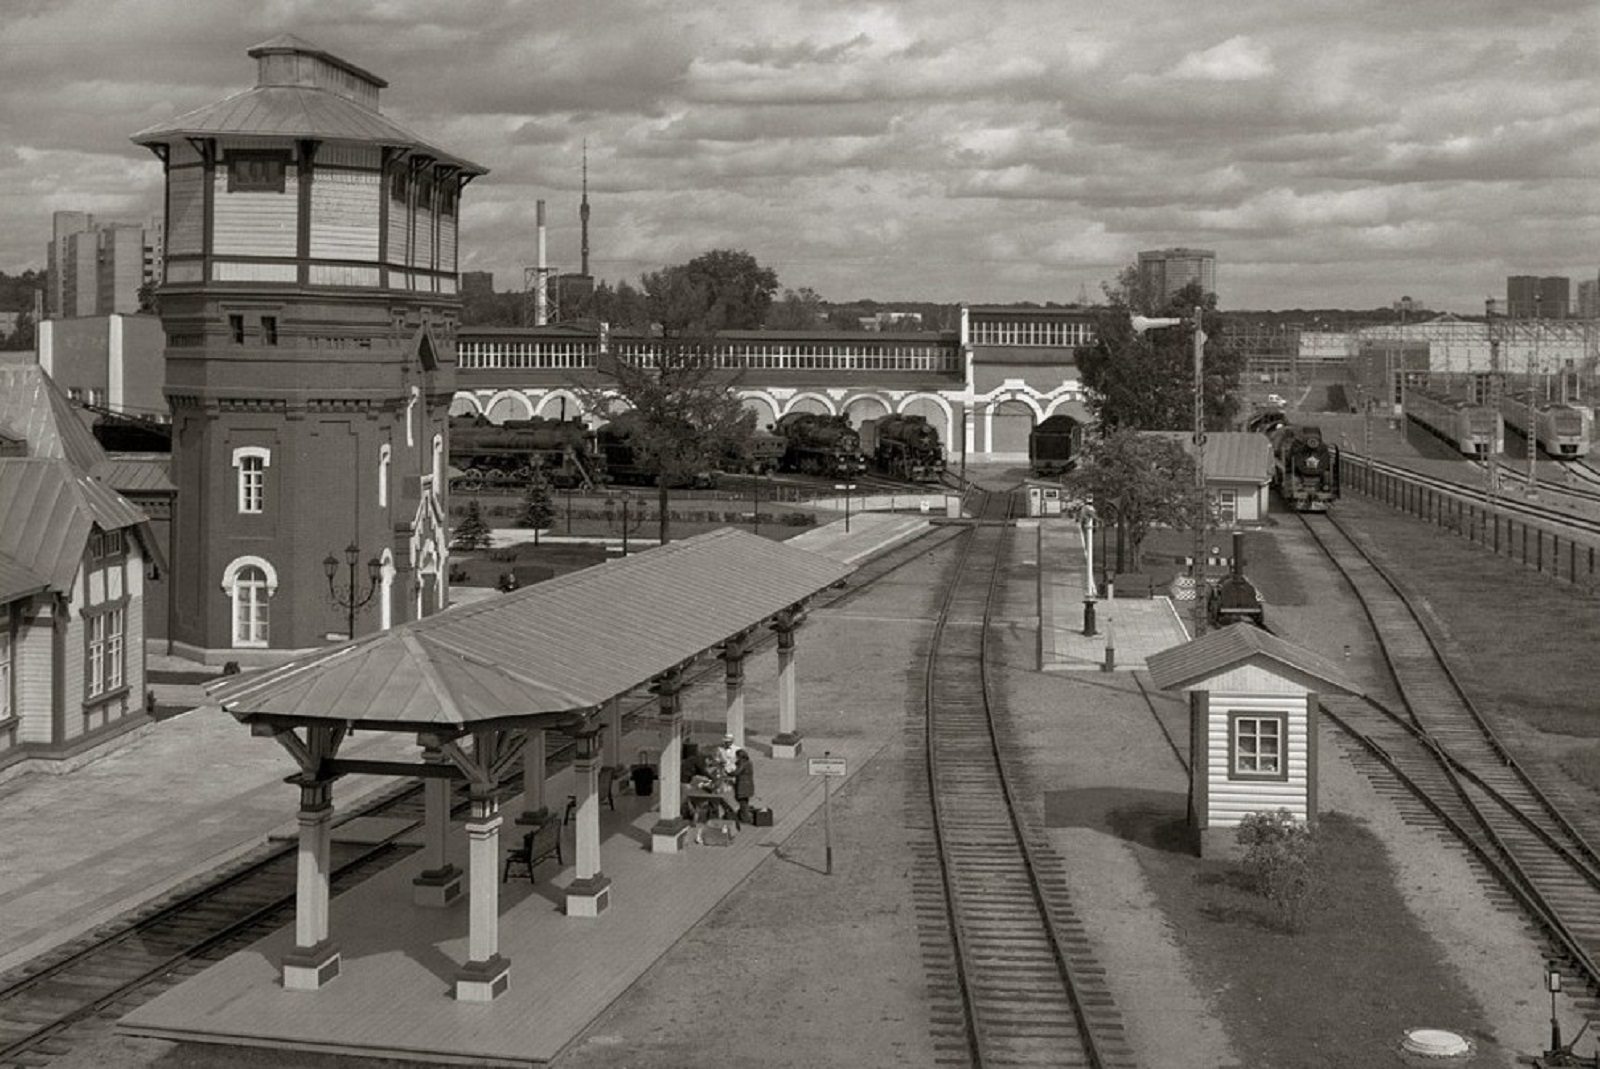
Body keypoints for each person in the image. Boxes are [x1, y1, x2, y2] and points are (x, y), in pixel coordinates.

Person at [733, 749, 755, 824]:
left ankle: (745, 818)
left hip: (742, 785)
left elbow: (736, 772)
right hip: (748, 785)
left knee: (742, 802)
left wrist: (728, 773)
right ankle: (745, 816)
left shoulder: (743, 763)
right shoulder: (748, 762)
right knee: (745, 801)